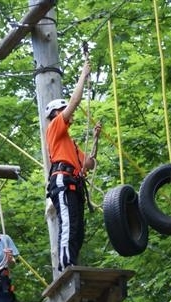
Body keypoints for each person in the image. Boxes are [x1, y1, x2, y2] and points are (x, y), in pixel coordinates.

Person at [45, 59, 102, 272]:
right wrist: (83, 75)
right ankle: (66, 264)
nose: (68, 113)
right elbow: (74, 102)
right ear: (55, 113)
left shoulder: (71, 144)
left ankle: (72, 263)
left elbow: (90, 163)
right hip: (62, 179)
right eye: (63, 110)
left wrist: (95, 139)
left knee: (77, 229)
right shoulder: (54, 127)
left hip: (74, 182)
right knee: (68, 223)